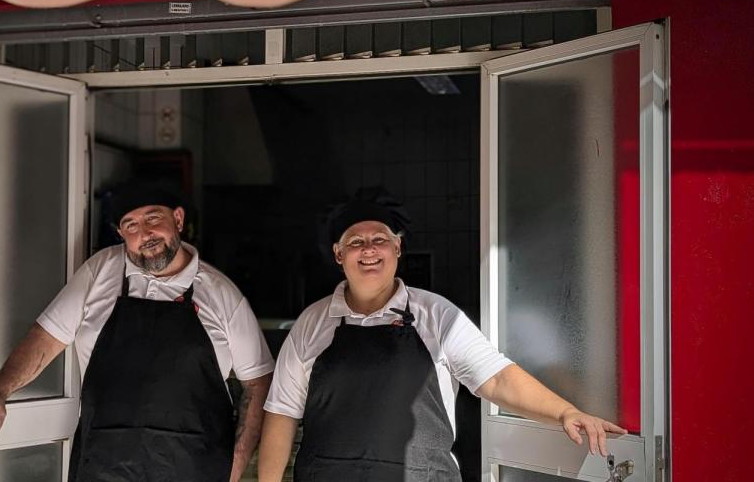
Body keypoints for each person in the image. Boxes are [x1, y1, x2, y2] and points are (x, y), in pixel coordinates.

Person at [258, 193, 625, 482]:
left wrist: (565, 411)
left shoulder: (437, 315)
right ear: (339, 255)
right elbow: (282, 414)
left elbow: (496, 378)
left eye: (379, 239)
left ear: (398, 249)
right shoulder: (312, 323)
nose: (368, 249)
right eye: (355, 242)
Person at [0, 182, 274, 482]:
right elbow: (46, 338)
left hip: (194, 469)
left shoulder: (221, 294)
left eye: (152, 218)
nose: (144, 233)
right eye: (131, 225)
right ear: (121, 233)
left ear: (177, 218)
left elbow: (259, 383)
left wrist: (233, 469)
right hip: (104, 467)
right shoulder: (100, 272)